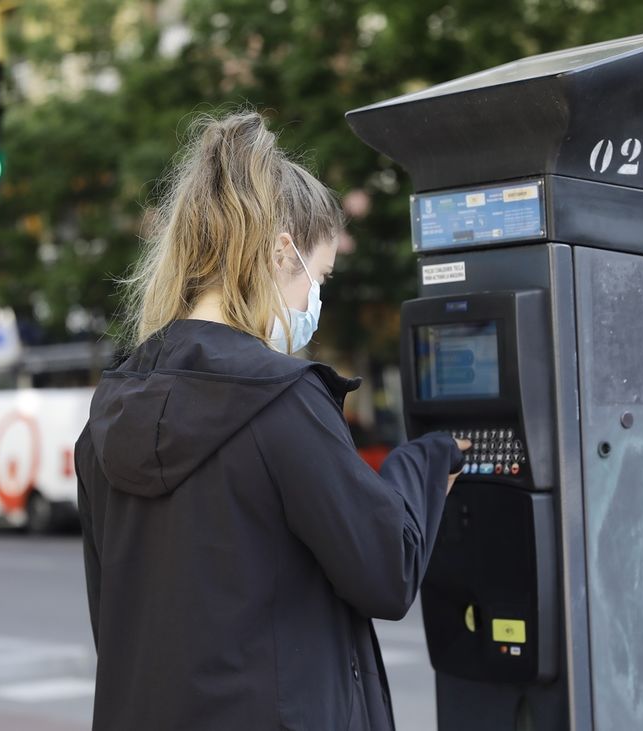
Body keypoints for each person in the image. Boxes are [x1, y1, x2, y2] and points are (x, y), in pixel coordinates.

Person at [73, 111, 469, 731]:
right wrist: (424, 462)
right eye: (322, 277)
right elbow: (386, 570)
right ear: (284, 252)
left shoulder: (108, 416)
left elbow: (114, 618)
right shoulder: (280, 401)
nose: (316, 298)